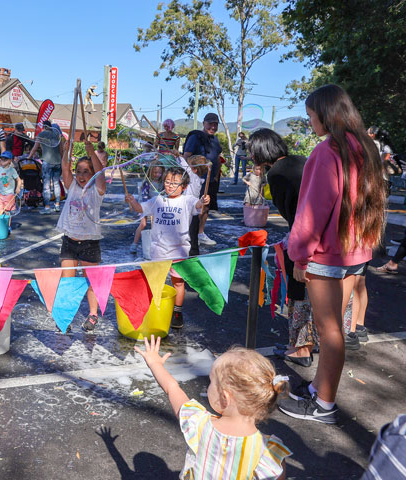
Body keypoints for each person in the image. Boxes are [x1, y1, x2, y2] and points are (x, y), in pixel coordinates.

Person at [278, 84, 386, 424]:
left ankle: (323, 403)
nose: (311, 122)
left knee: (329, 332)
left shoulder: (328, 151)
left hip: (327, 255)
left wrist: (298, 254)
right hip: (357, 251)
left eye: (311, 116)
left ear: (326, 114)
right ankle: (319, 391)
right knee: (334, 328)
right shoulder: (365, 148)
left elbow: (312, 211)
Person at [135, 337, 292, 478]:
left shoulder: (198, 423)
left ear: (225, 397)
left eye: (211, 382)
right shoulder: (269, 453)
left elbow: (172, 388)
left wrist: (155, 363)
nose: (207, 387)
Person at [248, 128, 317, 367]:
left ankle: (300, 348)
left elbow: (294, 215)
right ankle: (306, 343)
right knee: (313, 296)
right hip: (324, 237)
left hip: (304, 240)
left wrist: (298, 255)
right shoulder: (299, 160)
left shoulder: (276, 173)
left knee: (298, 294)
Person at [126, 166, 209, 330]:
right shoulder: (157, 200)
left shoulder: (188, 200)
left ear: (184, 186)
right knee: (155, 281)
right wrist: (133, 201)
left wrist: (204, 201)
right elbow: (140, 209)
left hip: (180, 251)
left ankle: (177, 312)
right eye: (167, 182)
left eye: (175, 183)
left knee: (178, 283)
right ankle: (156, 308)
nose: (170, 186)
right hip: (159, 250)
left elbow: (199, 205)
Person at [56, 140, 106, 331]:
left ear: (93, 174)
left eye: (87, 171)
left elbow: (101, 174)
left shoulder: (97, 190)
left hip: (90, 243)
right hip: (69, 241)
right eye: (79, 171)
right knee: (67, 281)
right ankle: (65, 316)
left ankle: (93, 314)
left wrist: (91, 152)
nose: (82, 175)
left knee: (91, 281)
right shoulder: (73, 187)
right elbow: (65, 167)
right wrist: (66, 150)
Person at [183, 112, 222, 247]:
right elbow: (186, 156)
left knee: (205, 208)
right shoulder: (195, 137)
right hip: (195, 181)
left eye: (215, 124)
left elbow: (217, 158)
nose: (212, 126)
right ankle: (187, 234)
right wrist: (193, 174)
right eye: (210, 123)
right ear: (204, 123)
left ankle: (200, 233)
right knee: (193, 207)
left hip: (210, 181)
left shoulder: (215, 140)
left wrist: (216, 176)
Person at [128, 162, 165, 254]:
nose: (157, 174)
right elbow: (144, 196)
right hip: (145, 205)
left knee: (155, 225)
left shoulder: (162, 183)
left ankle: (155, 245)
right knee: (143, 224)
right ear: (151, 172)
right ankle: (134, 244)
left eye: (159, 172)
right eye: (155, 172)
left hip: (157, 205)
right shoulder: (147, 182)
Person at [28, 120, 63, 215]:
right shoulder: (57, 134)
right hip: (58, 162)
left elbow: (35, 148)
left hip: (47, 162)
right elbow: (61, 149)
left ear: (43, 127)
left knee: (47, 185)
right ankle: (57, 205)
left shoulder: (41, 135)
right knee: (56, 183)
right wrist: (62, 160)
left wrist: (29, 157)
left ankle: (47, 207)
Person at [0, 151, 22, 219]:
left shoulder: (12, 170)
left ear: (10, 160)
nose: (2, 160)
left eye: (5, 159)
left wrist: (18, 188)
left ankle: (7, 226)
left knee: (7, 212)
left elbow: (19, 180)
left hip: (9, 194)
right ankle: (0, 225)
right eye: (1, 158)